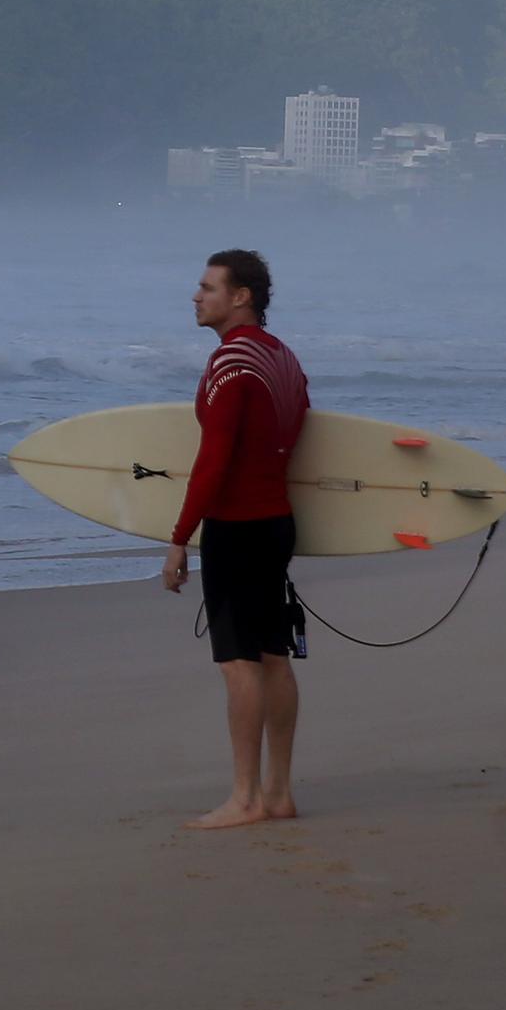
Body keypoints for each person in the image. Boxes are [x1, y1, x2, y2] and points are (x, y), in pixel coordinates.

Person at [159, 246, 309, 830]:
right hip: (276, 524)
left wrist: (178, 539)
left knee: (238, 664)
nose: (197, 297)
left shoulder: (230, 365)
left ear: (239, 296)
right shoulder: (284, 359)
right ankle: (278, 793)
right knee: (273, 656)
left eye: (208, 287)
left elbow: (213, 461)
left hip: (238, 529)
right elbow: (295, 430)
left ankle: (245, 799)